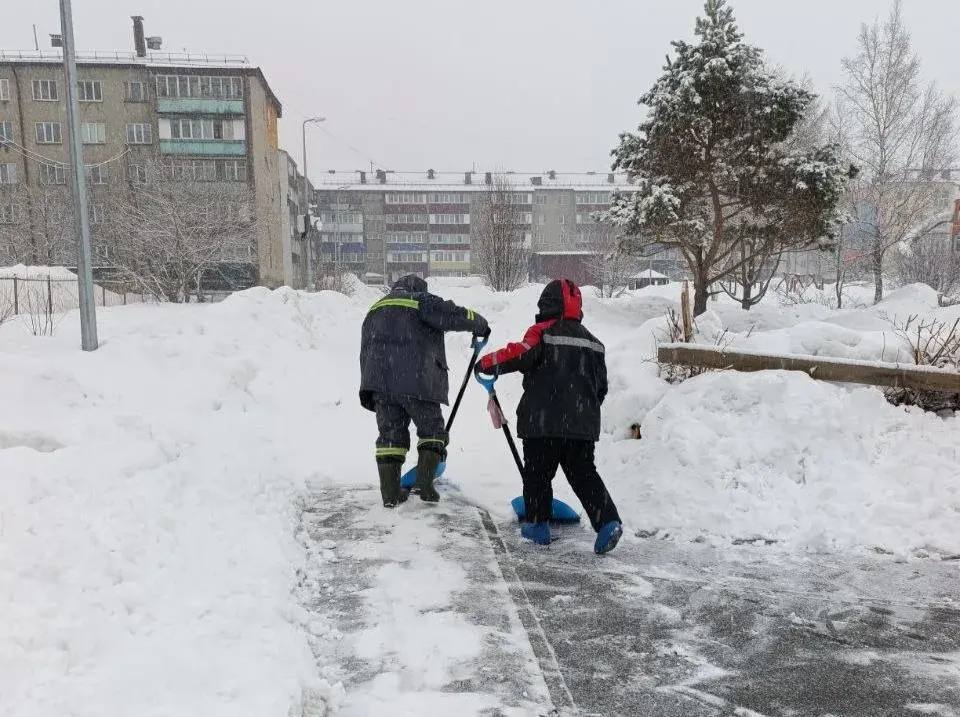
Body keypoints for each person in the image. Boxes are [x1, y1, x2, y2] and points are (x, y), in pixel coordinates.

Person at [477, 278, 623, 554]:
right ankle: (608, 521)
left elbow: (520, 353)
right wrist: (580, 412)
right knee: (583, 474)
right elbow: (600, 389)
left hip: (541, 423)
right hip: (581, 425)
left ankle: (537, 525)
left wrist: (487, 363)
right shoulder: (595, 344)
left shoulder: (543, 332)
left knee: (537, 474)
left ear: (548, 305)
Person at [360, 275, 490, 507]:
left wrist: (372, 385)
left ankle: (390, 494)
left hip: (380, 383)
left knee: (390, 436)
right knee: (431, 430)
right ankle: (425, 485)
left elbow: (365, 350)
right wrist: (480, 323)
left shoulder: (376, 308)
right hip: (417, 379)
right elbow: (453, 315)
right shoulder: (420, 300)